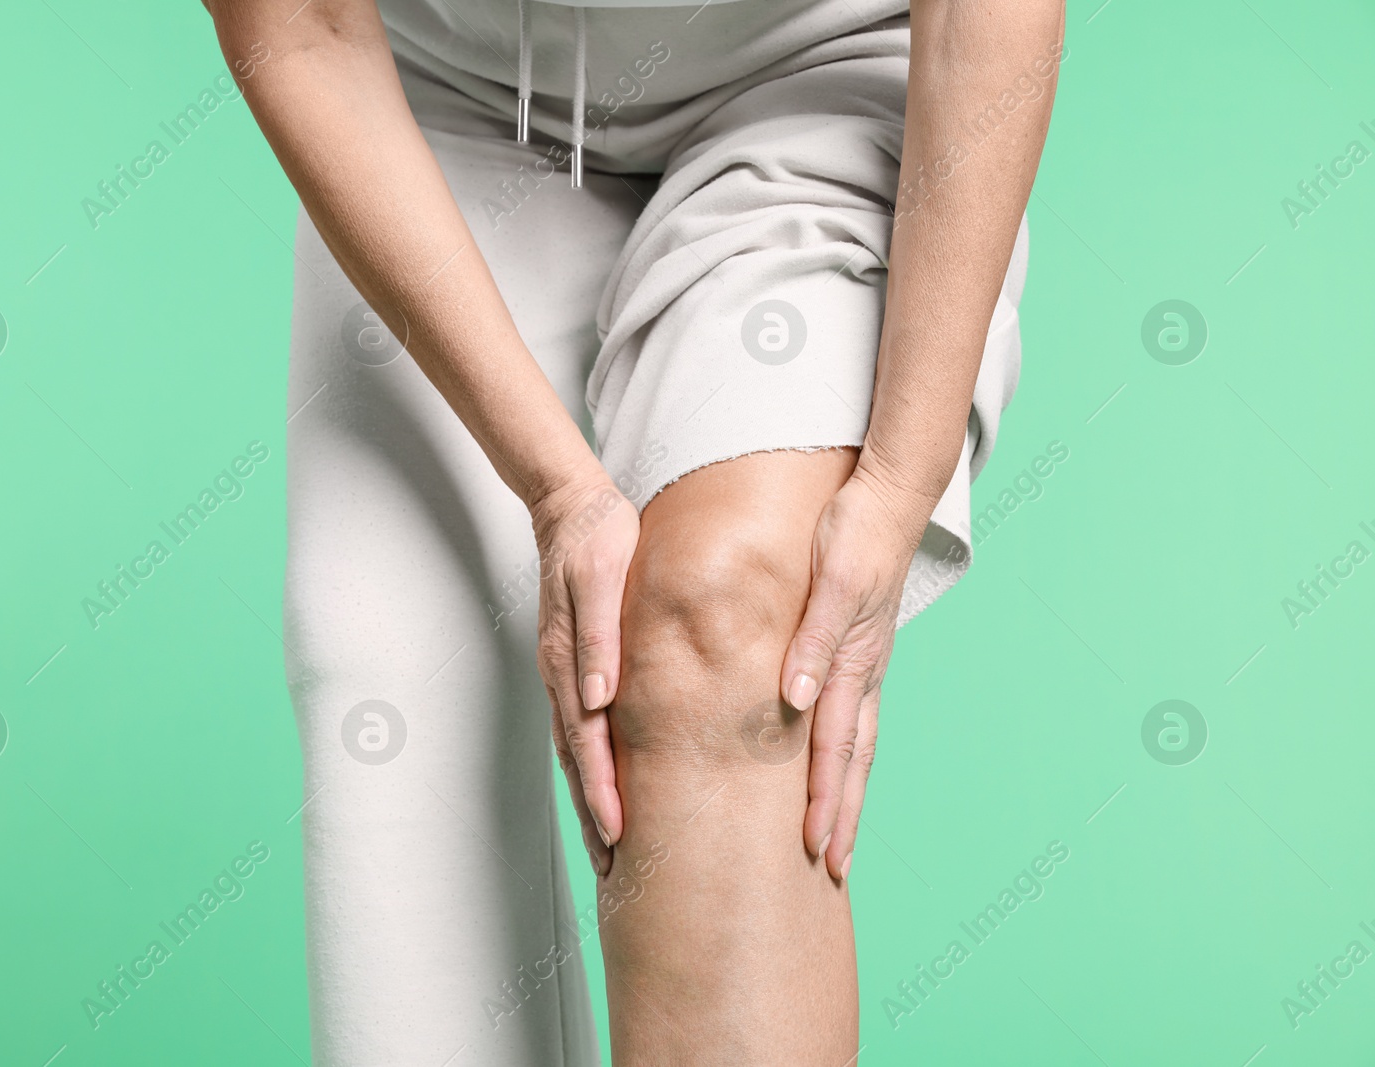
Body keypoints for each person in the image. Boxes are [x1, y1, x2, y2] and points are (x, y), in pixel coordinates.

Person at [204, 0, 1062, 1061]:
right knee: (388, 690)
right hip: (450, 91)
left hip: (813, 67)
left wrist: (896, 477)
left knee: (728, 624)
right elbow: (301, 28)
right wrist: (558, 489)